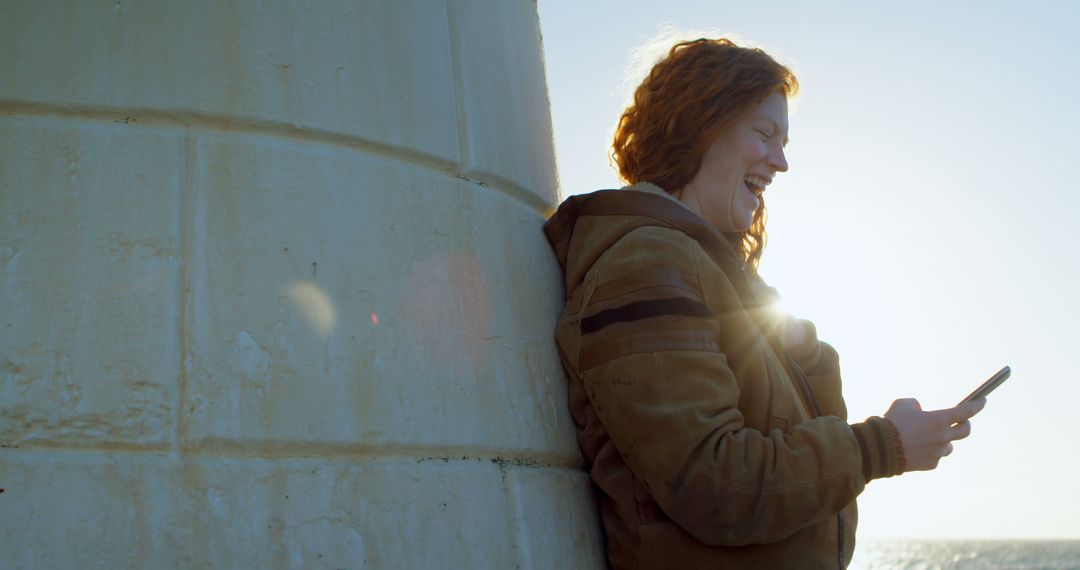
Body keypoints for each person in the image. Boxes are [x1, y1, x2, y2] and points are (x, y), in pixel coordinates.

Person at [543, 37, 985, 569]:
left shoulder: (710, 274)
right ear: (699, 124)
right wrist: (880, 446)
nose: (781, 162)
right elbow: (713, 483)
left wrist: (795, 341)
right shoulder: (647, 264)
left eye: (784, 141)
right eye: (764, 133)